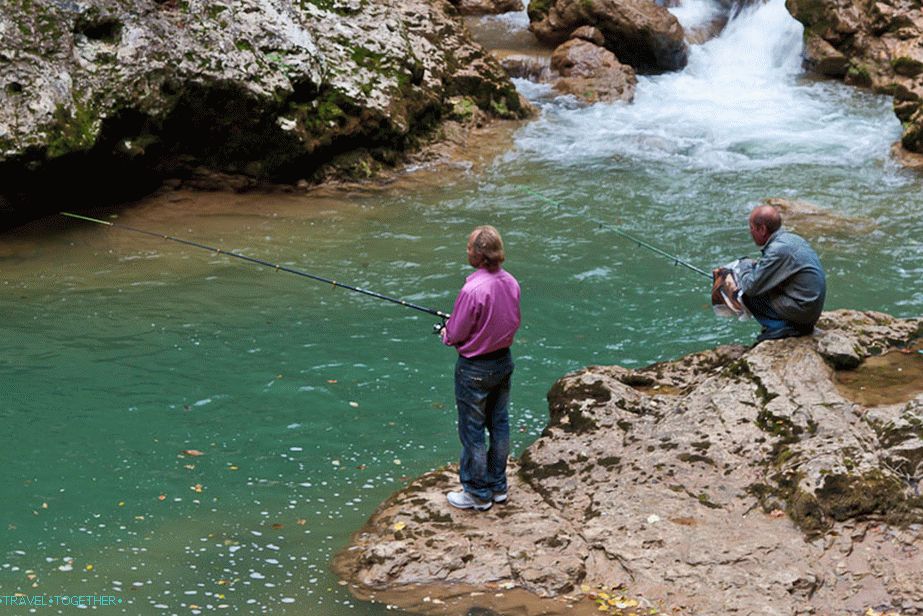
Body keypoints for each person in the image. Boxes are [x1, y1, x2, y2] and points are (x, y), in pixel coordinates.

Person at [440, 225, 521, 511]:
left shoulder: (472, 289)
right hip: (503, 361)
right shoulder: (511, 282)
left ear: (479, 255)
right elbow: (510, 320)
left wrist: (445, 333)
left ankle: (476, 492)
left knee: (472, 431)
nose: (467, 250)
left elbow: (456, 333)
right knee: (499, 424)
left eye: (469, 247)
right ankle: (498, 486)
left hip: (474, 368)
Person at [735, 205, 826, 342]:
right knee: (760, 281)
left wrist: (743, 267)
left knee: (746, 292)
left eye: (752, 228)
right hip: (810, 309)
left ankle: (781, 327)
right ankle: (786, 324)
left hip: (802, 312)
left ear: (762, 229)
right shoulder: (790, 239)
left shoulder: (777, 250)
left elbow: (751, 286)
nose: (750, 232)